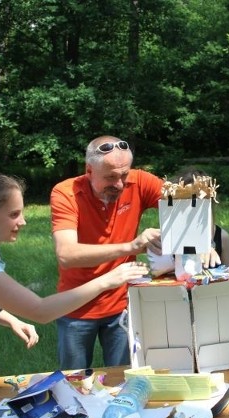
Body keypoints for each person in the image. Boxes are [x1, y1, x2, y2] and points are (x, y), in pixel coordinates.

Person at [0, 174, 149, 412]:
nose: (23, 221)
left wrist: (12, 319)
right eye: (13, 214)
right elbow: (41, 311)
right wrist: (108, 280)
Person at [50, 135, 165, 370]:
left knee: (124, 379)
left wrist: (208, 242)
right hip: (76, 306)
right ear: (89, 170)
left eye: (124, 175)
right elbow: (67, 254)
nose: (120, 184)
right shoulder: (66, 193)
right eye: (110, 177)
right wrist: (132, 246)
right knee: (74, 383)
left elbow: (189, 202)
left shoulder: (140, 181)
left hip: (122, 304)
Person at [174, 166, 229, 266]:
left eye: (200, 200)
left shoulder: (222, 237)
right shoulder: (171, 236)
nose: (194, 207)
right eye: (188, 200)